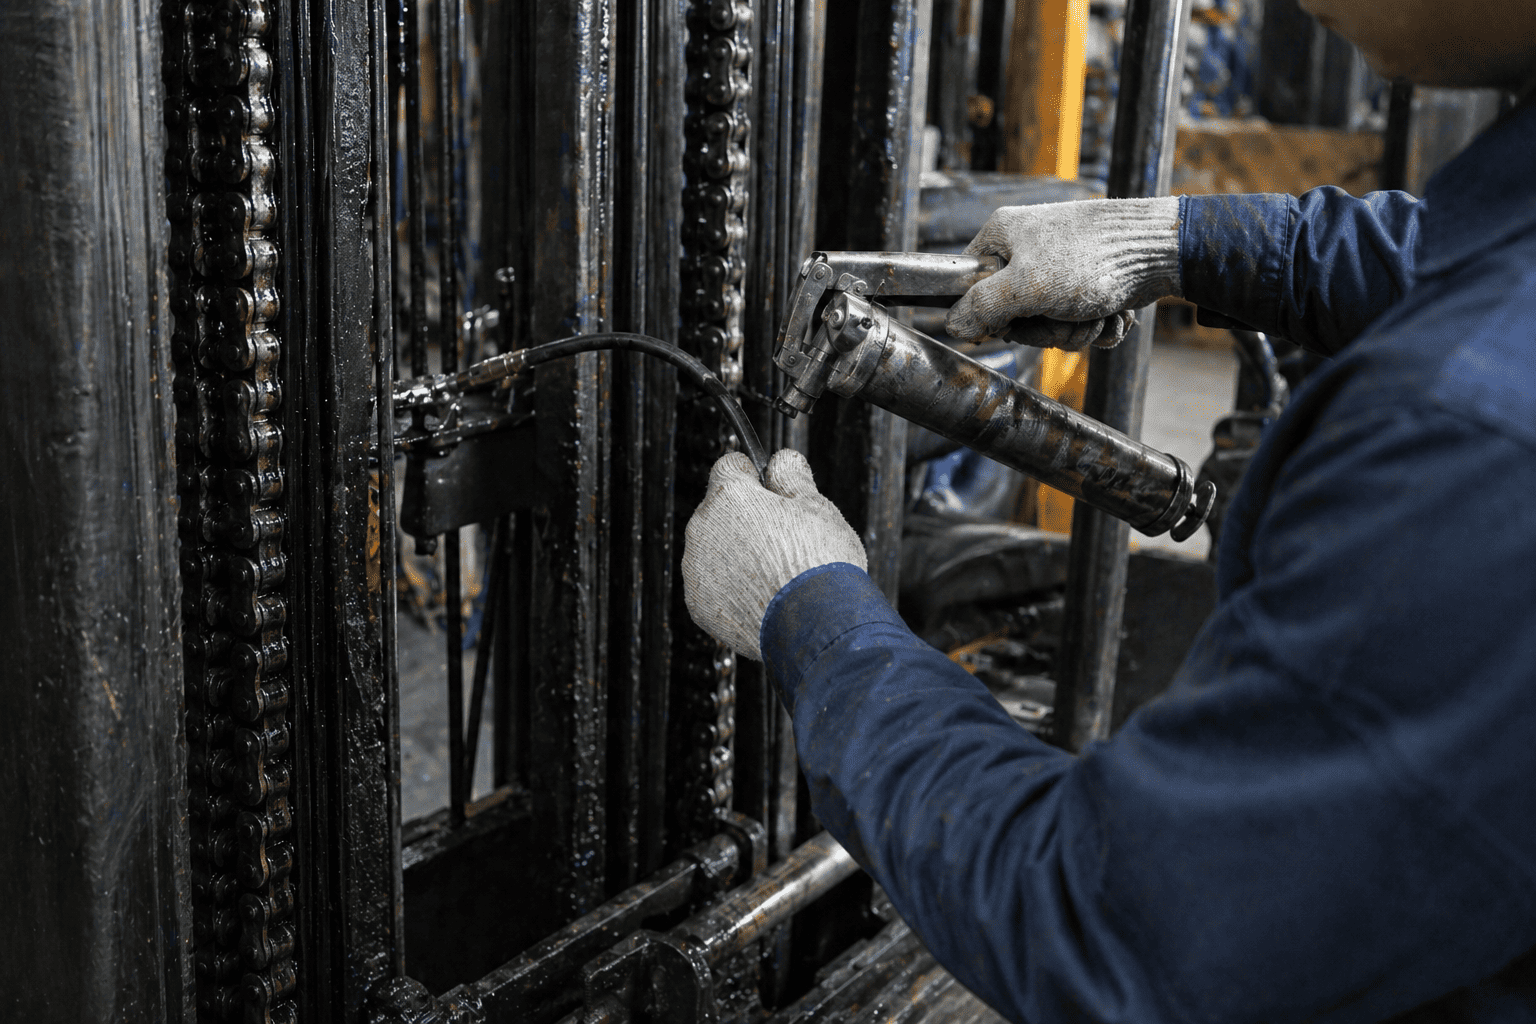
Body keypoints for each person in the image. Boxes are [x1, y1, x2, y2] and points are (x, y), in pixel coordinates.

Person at [680, 2, 1536, 1021]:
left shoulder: (1469, 443)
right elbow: (1445, 255)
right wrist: (1171, 239)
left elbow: (1114, 926)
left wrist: (813, 613)